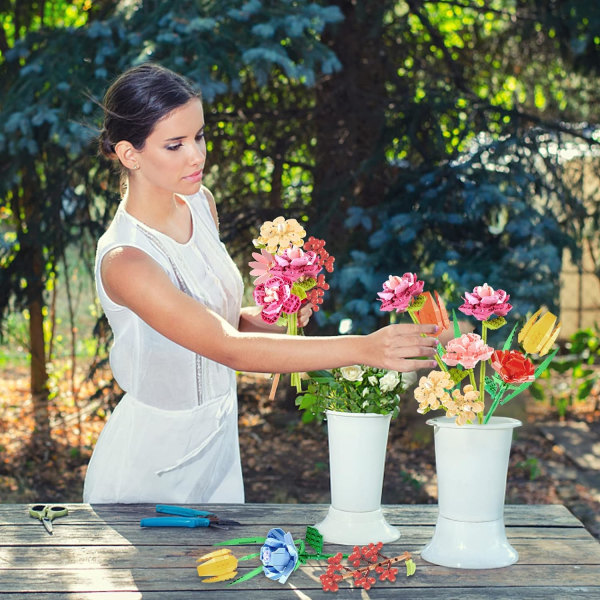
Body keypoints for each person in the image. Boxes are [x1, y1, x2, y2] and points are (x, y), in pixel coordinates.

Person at [83, 63, 439, 504]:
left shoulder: (199, 204)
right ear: (129, 154)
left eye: (199, 136)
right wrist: (368, 348)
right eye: (174, 145)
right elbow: (226, 347)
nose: (196, 156)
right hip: (149, 465)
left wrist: (278, 320)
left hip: (219, 446)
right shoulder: (127, 260)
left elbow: (221, 323)